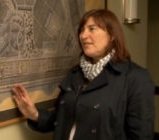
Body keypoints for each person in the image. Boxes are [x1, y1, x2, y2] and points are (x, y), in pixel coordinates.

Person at [12, 9, 155, 140]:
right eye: (81, 30)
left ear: (112, 35)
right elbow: (60, 120)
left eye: (92, 29)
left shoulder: (135, 78)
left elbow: (141, 135)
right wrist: (34, 114)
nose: (83, 35)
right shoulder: (75, 74)